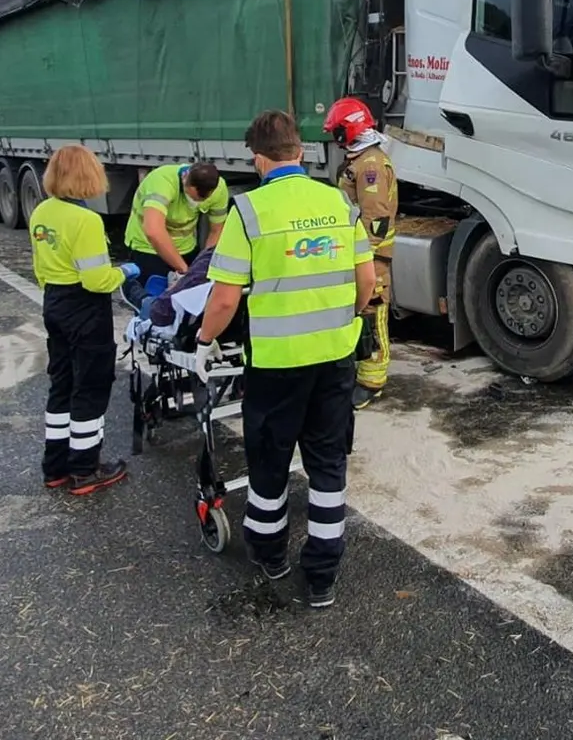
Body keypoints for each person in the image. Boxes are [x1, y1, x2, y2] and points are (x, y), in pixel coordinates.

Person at [194, 110, 375, 610]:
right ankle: (322, 575)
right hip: (335, 359)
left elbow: (225, 299)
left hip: (277, 366)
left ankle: (271, 554)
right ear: (300, 152)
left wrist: (205, 342)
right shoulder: (338, 202)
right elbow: (367, 284)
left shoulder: (249, 212)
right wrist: (343, 320)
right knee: (327, 464)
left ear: (258, 158)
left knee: (270, 464)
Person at [28, 145, 135, 495]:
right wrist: (125, 272)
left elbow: (40, 266)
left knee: (62, 382)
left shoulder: (43, 211)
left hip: (54, 301)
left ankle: (55, 465)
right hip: (85, 307)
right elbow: (96, 280)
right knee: (90, 385)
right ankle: (86, 469)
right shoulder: (86, 220)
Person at [323, 97, 397, 409]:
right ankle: (361, 372)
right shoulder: (362, 159)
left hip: (370, 256)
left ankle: (371, 381)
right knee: (360, 313)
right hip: (359, 252)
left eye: (337, 133)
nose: (335, 140)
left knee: (373, 313)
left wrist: (366, 258)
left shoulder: (370, 166)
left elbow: (375, 218)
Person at [123, 160, 229, 298]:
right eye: (193, 197)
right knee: (151, 304)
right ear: (186, 180)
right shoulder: (162, 181)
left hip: (186, 248)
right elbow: (153, 231)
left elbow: (217, 230)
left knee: (187, 306)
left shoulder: (219, 189)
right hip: (148, 248)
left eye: (203, 200)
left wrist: (201, 266)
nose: (196, 203)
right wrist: (184, 270)